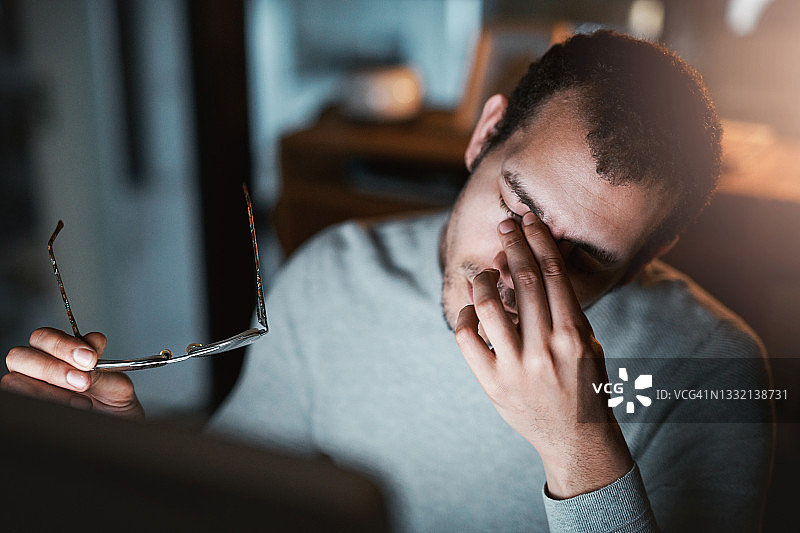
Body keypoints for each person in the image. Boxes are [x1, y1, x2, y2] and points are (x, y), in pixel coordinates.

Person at [3, 31, 773, 532]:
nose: (518, 278)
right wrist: (133, 456)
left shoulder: (713, 372)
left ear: (650, 257)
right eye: (519, 208)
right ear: (483, 133)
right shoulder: (336, 274)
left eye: (586, 261)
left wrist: (578, 445)